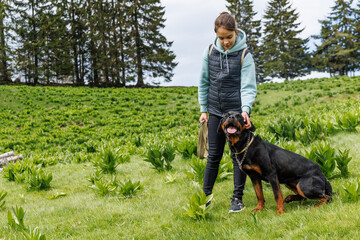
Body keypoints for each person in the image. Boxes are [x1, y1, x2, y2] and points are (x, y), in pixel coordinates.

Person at [198, 12, 257, 213]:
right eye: (221, 38)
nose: (225, 42)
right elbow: (204, 82)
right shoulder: (209, 52)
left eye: (229, 37)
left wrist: (246, 111)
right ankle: (204, 198)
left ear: (236, 32)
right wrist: (203, 110)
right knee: (213, 155)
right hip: (215, 112)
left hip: (236, 114)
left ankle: (237, 199)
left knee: (237, 155)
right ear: (216, 35)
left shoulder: (244, 55)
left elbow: (248, 87)